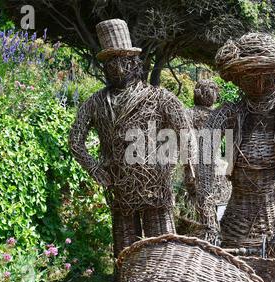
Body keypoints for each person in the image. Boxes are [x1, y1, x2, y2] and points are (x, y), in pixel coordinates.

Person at [69, 19, 194, 264]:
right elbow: (75, 140)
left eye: (122, 59)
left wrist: (181, 166)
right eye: (110, 61)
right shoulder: (96, 102)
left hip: (154, 185)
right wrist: (95, 169)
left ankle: (165, 277)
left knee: (163, 248)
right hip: (118, 185)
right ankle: (127, 277)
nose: (116, 66)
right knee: (126, 251)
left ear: (133, 61)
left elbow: (185, 130)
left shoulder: (157, 97)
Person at [200, 33, 275, 282]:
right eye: (251, 76)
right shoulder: (227, 113)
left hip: (273, 224)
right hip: (234, 221)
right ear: (238, 78)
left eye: (267, 74)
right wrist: (209, 224)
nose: (260, 83)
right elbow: (204, 163)